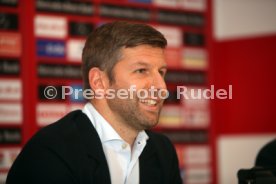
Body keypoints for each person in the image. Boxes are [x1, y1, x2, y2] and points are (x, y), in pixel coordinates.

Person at [6, 21, 182, 184]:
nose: (162, 87)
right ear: (99, 82)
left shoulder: (163, 151)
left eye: (161, 72)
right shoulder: (49, 155)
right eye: (141, 70)